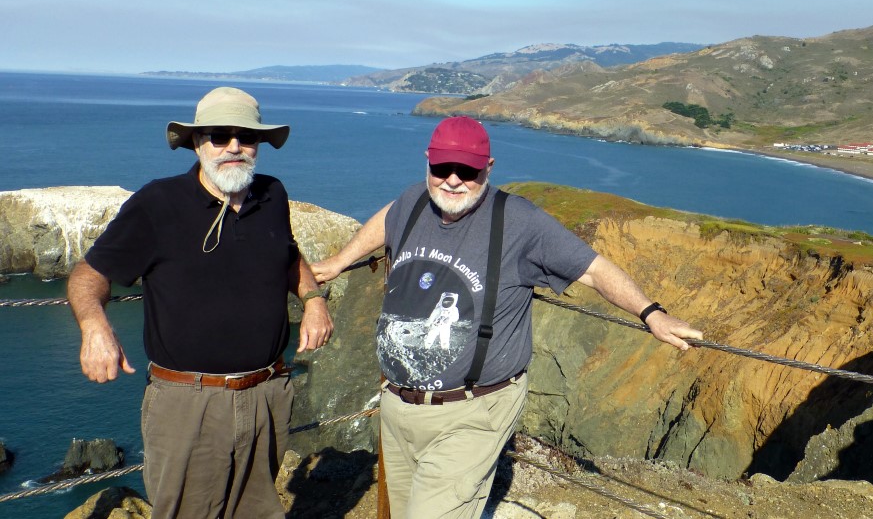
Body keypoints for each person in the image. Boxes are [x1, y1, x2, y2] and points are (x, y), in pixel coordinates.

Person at [313, 115, 701, 519]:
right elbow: (388, 217)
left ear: (489, 169)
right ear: (427, 161)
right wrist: (341, 260)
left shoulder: (519, 222)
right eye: (442, 168)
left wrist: (652, 313)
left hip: (470, 412)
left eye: (467, 171)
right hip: (399, 406)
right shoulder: (414, 200)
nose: (452, 180)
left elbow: (595, 270)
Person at [67, 87, 333, 519]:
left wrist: (313, 298)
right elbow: (88, 274)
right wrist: (95, 327)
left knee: (260, 512)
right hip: (189, 402)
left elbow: (288, 253)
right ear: (196, 141)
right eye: (218, 136)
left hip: (266, 393)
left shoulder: (272, 195)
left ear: (259, 144)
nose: (234, 147)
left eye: (245, 137)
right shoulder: (158, 203)